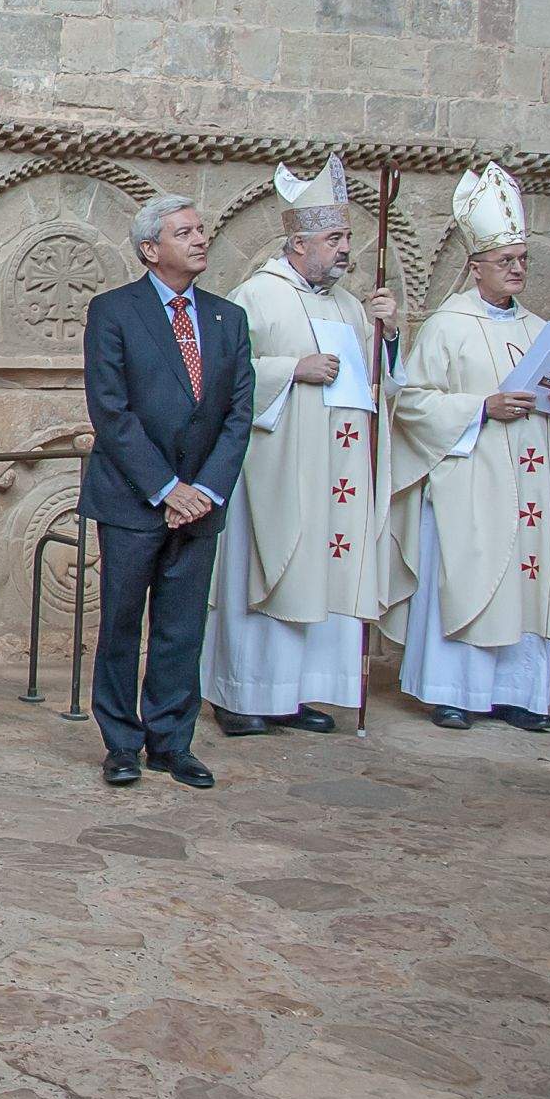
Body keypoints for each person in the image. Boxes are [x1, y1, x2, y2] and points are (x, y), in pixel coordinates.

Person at [381, 162, 550, 731]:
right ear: (476, 269)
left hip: (532, 481)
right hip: (473, 478)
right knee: (471, 576)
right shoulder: (448, 326)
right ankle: (452, 690)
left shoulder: (541, 330)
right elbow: (414, 402)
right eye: (505, 261)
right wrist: (480, 409)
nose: (517, 270)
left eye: (522, 260)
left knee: (526, 579)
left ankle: (521, 694)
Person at [204, 157, 399, 738]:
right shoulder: (255, 296)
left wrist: (385, 336)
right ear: (298, 241)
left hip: (335, 468)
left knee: (324, 573)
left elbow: (376, 384)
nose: (345, 250)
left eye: (347, 238)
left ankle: (298, 693)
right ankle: (241, 696)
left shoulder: (346, 306)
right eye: (334, 239)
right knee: (262, 574)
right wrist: (292, 369)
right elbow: (225, 376)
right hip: (275, 467)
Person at [81, 195, 254, 790]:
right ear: (151, 250)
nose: (201, 239)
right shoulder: (113, 311)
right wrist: (165, 486)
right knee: (123, 626)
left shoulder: (229, 319)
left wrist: (204, 488)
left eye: (201, 229)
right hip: (134, 499)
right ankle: (122, 744)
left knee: (182, 629)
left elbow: (238, 413)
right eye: (185, 232)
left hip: (200, 505)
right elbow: (111, 410)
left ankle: (172, 742)